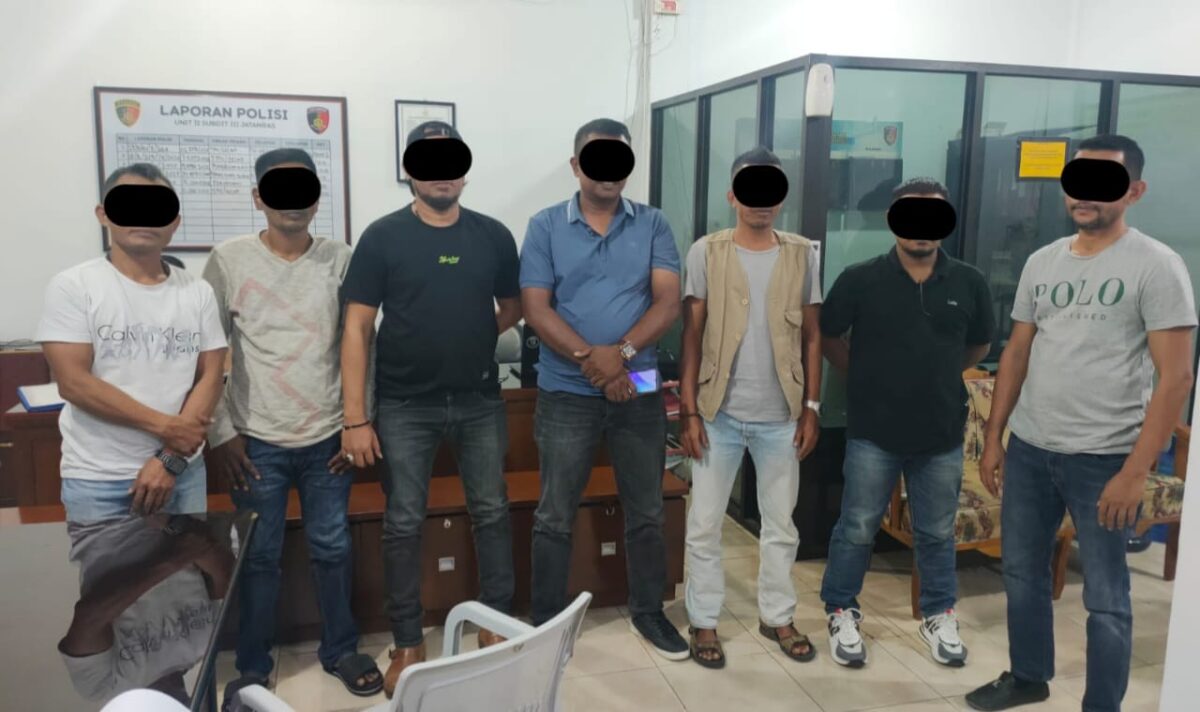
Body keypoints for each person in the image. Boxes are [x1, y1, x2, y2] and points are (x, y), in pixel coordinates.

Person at [967, 135, 1197, 712]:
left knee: (1106, 595)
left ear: (1135, 191)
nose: (1085, 196)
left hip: (1105, 458)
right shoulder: (1042, 262)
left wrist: (1136, 471)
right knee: (1022, 572)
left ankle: (1101, 705)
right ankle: (1028, 676)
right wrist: (994, 438)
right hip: (1031, 448)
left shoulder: (1157, 266)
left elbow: (1176, 378)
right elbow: (1017, 353)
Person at [341, 121, 522, 698]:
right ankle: (406, 643)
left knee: (492, 512)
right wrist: (354, 418)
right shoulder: (382, 237)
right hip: (403, 405)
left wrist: (470, 334)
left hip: (479, 401)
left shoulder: (493, 235)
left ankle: (494, 624)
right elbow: (357, 326)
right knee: (402, 522)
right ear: (410, 171)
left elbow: (512, 306)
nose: (442, 174)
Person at [202, 148, 382, 701]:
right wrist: (221, 433)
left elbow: (363, 341)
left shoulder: (340, 258)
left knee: (332, 547)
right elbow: (208, 353)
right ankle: (252, 669)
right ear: (258, 198)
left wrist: (358, 421)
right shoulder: (227, 260)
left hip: (329, 435)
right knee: (258, 556)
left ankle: (340, 649)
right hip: (256, 441)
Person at [521, 118, 688, 660]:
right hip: (565, 388)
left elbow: (667, 301)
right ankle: (547, 624)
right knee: (554, 514)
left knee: (647, 509)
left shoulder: (654, 223)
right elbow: (536, 308)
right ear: (576, 166)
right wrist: (594, 362)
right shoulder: (546, 225)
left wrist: (619, 357)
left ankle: (648, 612)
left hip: (639, 382)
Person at [819, 177, 995, 668]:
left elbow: (979, 344)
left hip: (940, 432)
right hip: (873, 431)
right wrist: (863, 374)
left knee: (936, 531)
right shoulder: (859, 278)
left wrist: (939, 372)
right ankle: (841, 609)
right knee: (857, 526)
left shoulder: (969, 282)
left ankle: (938, 614)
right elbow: (828, 334)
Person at [678, 146, 822, 668]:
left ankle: (777, 615)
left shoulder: (803, 253)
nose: (760, 201)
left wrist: (812, 406)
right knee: (704, 523)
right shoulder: (706, 252)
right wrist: (689, 411)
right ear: (732, 195)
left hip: (781, 416)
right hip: (717, 414)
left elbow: (812, 334)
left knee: (781, 525)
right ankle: (704, 619)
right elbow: (691, 334)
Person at [36, 163, 227, 522]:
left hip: (182, 472)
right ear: (103, 214)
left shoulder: (197, 291)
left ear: (174, 223)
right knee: (106, 564)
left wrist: (168, 459)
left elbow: (211, 377)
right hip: (99, 480)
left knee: (186, 560)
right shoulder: (73, 286)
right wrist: (166, 427)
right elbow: (74, 383)